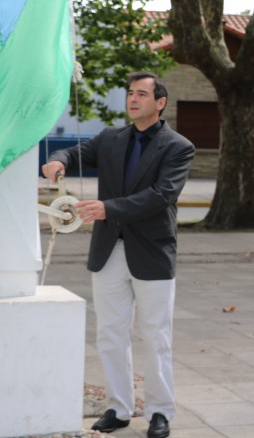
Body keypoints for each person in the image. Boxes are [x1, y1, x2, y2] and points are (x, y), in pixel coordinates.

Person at [42, 71, 194, 438]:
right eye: (130, 93)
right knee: (110, 334)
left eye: (142, 94)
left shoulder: (178, 146)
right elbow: (74, 153)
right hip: (108, 252)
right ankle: (119, 408)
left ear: (160, 103)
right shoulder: (110, 138)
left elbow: (162, 195)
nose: (133, 99)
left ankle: (160, 412)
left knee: (156, 336)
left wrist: (109, 208)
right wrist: (58, 160)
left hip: (152, 253)